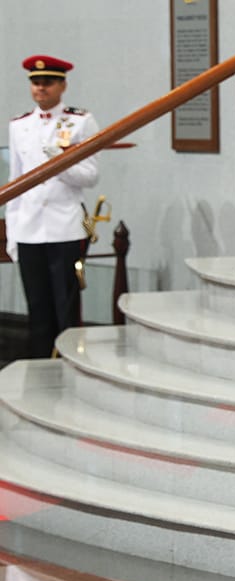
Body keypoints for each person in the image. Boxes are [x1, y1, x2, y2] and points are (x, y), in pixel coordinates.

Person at [6, 54, 98, 358]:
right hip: (30, 227)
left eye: (47, 82)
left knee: (66, 308)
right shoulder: (19, 125)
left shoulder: (80, 121)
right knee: (37, 308)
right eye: (35, 82)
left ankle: (71, 366)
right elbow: (15, 180)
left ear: (63, 85)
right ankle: (39, 370)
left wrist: (58, 164)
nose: (41, 88)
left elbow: (90, 176)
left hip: (65, 226)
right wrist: (13, 230)